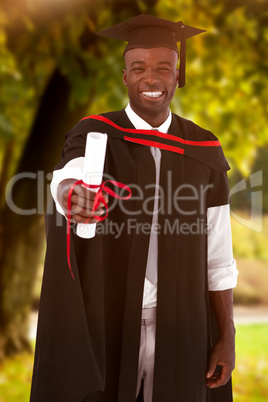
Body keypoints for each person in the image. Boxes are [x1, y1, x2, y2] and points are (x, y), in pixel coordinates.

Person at [30, 14, 238, 402]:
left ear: (178, 74)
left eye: (163, 67)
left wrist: (227, 334)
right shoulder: (94, 133)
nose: (151, 78)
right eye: (138, 67)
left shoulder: (203, 149)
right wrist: (72, 193)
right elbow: (68, 173)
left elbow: (218, 256)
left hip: (183, 324)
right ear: (124, 76)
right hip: (108, 321)